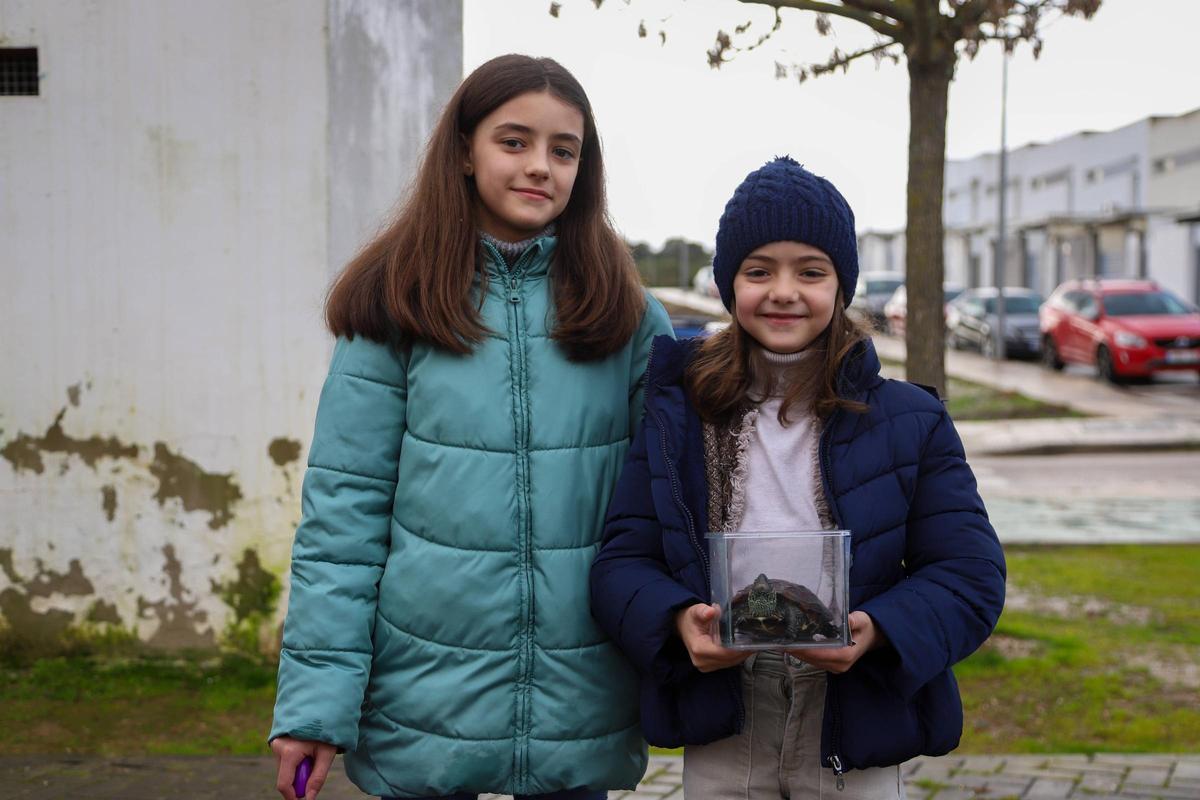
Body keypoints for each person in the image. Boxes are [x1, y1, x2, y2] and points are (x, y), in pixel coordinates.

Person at [269, 54, 673, 800]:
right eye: (513, 142)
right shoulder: (399, 303)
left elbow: (675, 496)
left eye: (564, 150)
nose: (540, 167)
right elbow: (341, 524)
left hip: (580, 692)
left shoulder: (624, 311)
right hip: (425, 695)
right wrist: (315, 707)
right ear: (463, 149)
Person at [590, 156, 1006, 799]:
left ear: (841, 287)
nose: (783, 291)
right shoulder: (679, 413)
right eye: (758, 271)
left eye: (810, 271)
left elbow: (970, 576)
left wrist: (878, 632)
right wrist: (678, 624)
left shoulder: (910, 420)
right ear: (729, 287)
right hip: (724, 716)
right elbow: (622, 562)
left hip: (853, 714)